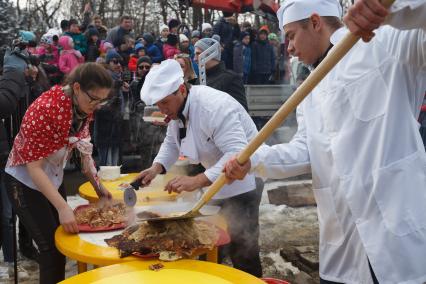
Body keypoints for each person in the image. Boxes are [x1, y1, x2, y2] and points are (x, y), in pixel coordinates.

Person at [224, 0, 426, 283]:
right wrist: (254, 161)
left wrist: (394, 8)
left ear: (316, 22)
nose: (289, 48)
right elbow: (306, 150)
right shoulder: (309, 89)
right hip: (343, 251)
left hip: (397, 238)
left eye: (291, 35)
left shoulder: (384, 44)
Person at [136, 59, 264, 277]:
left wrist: (196, 181)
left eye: (165, 103)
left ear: (182, 90)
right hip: (216, 181)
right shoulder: (177, 109)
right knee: (208, 242)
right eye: (158, 105)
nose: (162, 110)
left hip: (244, 182)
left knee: (243, 248)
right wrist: (156, 167)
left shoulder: (212, 107)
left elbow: (237, 154)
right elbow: (171, 143)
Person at [4, 63, 113, 284]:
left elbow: (84, 151)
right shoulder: (46, 109)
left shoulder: (81, 108)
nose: (96, 105)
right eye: (93, 99)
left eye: (102, 101)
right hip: (24, 180)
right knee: (50, 249)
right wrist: (63, 207)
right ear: (77, 88)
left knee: (63, 242)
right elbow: (34, 168)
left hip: (51, 175)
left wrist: (99, 187)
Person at [194, 38, 248, 111]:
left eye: (198, 54)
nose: (195, 59)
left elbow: (241, 111)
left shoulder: (231, 79)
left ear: (211, 53)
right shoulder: (198, 80)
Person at [94, 50, 126, 167]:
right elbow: (100, 106)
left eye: (120, 62)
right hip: (105, 128)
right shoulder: (103, 79)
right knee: (107, 166)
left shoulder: (118, 79)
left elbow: (122, 106)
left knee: (115, 165)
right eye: (115, 62)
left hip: (116, 126)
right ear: (108, 63)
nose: (118, 65)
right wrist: (117, 89)